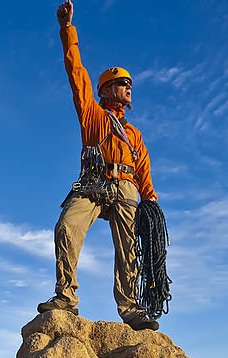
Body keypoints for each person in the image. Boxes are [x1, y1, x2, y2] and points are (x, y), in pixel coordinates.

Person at [38, 0, 161, 331]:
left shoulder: (134, 134)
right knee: (67, 226)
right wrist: (67, 30)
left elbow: (143, 169)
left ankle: (131, 308)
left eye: (130, 84)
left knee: (129, 249)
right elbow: (76, 72)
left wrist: (150, 200)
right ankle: (65, 298)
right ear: (107, 89)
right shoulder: (92, 114)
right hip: (93, 183)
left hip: (127, 188)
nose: (129, 87)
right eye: (123, 83)